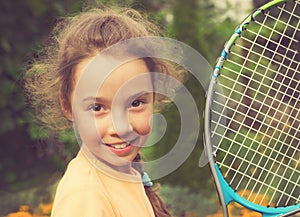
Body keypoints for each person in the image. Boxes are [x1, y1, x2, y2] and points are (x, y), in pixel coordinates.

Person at [24, 5, 182, 217]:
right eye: (97, 107)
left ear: (154, 97)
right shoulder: (85, 196)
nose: (121, 127)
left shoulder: (126, 175)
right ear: (67, 107)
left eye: (136, 103)